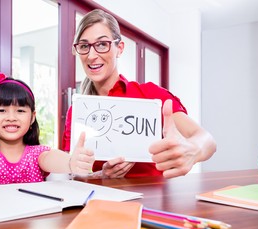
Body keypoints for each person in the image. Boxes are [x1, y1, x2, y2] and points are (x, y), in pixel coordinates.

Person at [62, 9, 216, 179]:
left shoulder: (150, 95)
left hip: (154, 201)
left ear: (119, 48)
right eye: (84, 46)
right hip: (103, 202)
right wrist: (101, 176)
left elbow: (207, 140)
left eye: (102, 44)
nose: (91, 55)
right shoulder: (77, 112)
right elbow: (72, 174)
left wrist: (192, 151)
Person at [0, 66, 95, 186]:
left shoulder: (37, 155)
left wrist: (71, 162)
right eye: (1, 110)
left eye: (20, 111)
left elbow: (50, 158)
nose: (11, 118)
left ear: (32, 117)